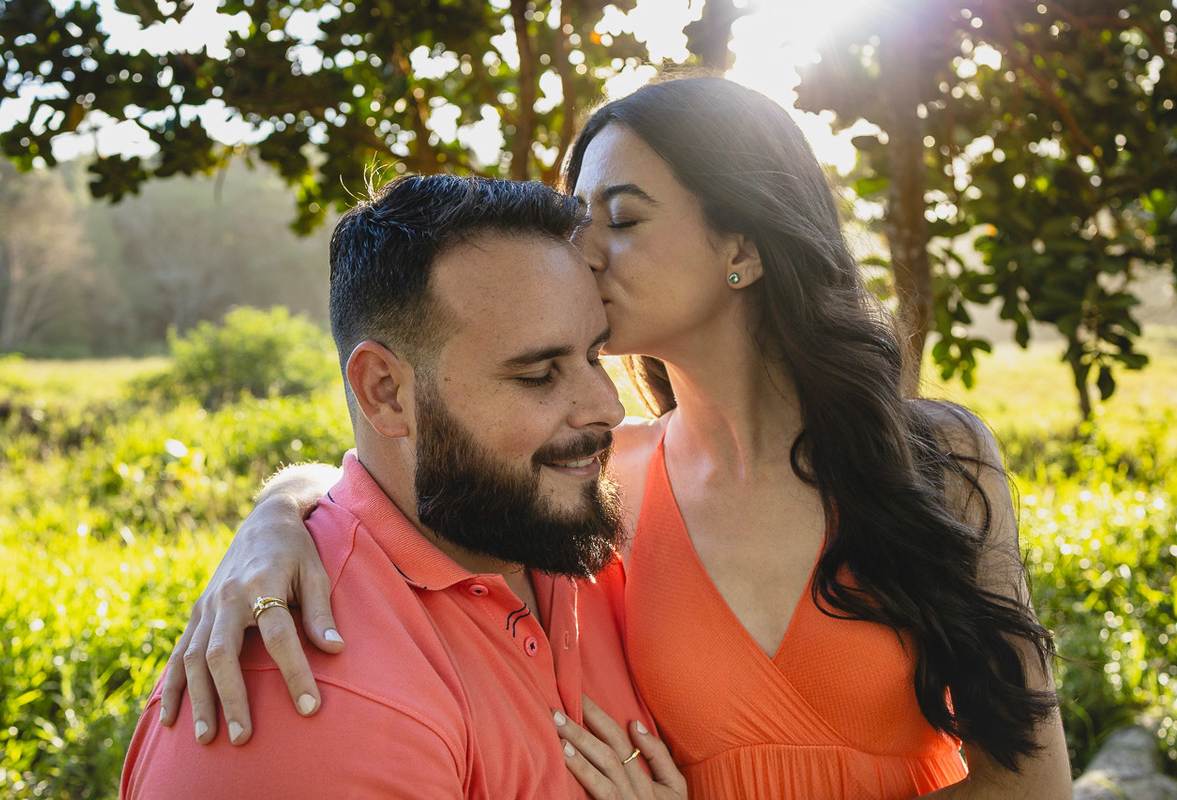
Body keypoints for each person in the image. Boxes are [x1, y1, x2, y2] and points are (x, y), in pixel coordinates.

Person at [159, 77, 1073, 798]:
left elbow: (1031, 786)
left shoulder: (935, 455)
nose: (584, 252)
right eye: (579, 218)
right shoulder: (606, 481)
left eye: (623, 219)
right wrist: (277, 513)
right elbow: (413, 461)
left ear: (743, 246)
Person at [120, 174, 687, 799]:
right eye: (537, 374)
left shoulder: (560, 528)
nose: (606, 406)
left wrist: (280, 501)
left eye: (594, 358)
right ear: (386, 393)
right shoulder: (306, 702)